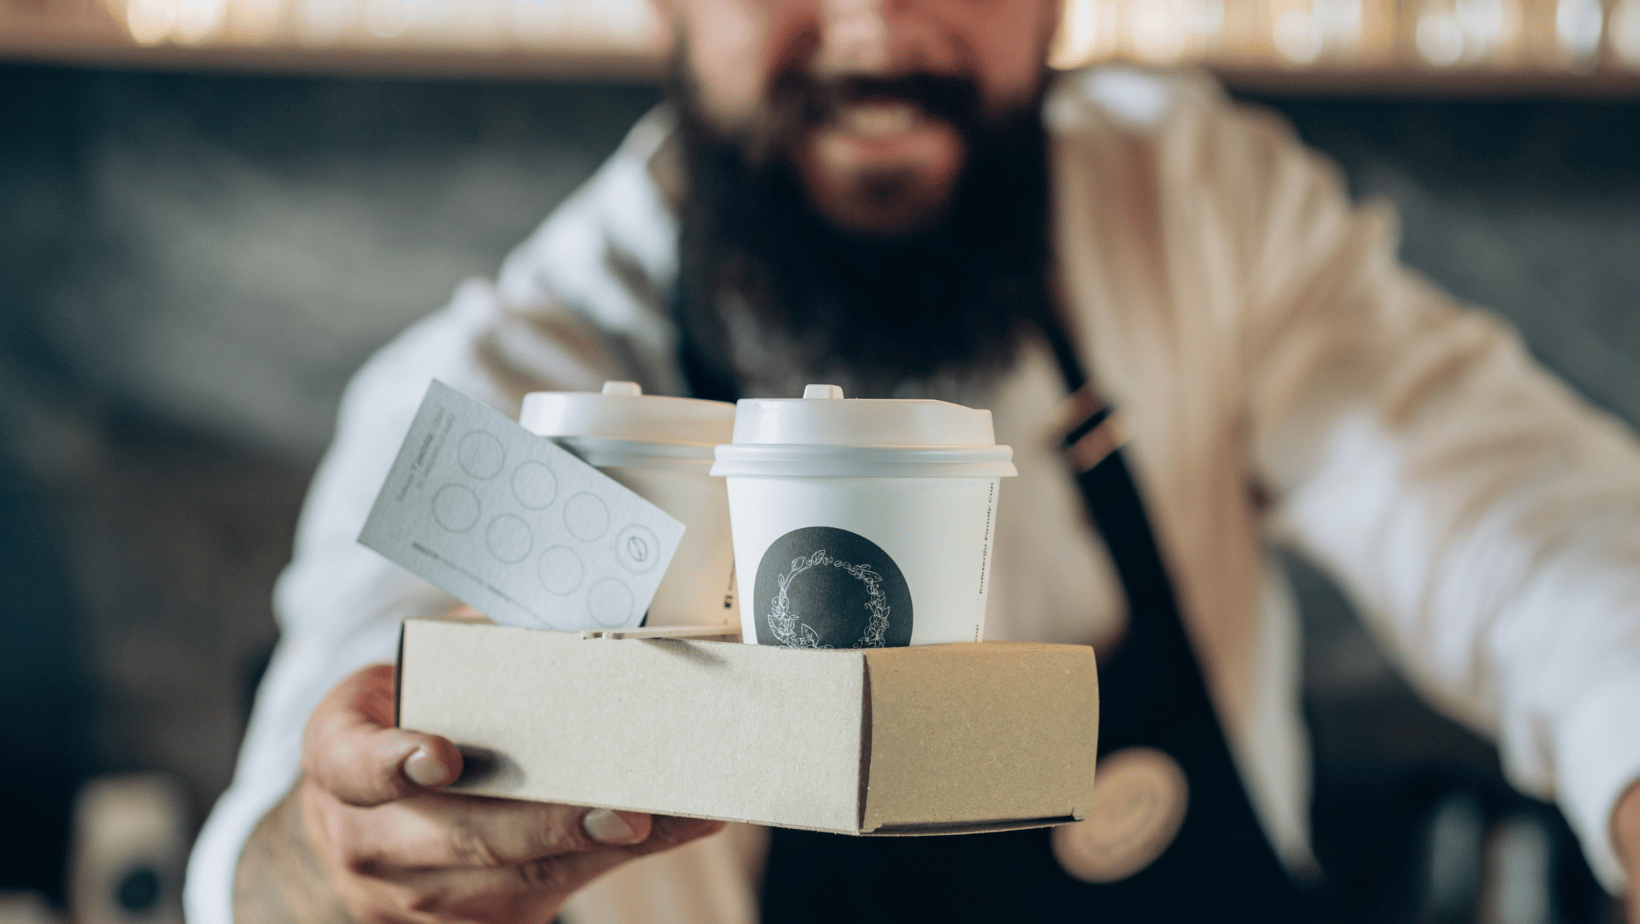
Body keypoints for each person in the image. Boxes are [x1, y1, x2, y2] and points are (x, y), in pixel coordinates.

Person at [190, 0, 1640, 921]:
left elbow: (1531, 531)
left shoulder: (1188, 211)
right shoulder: (540, 404)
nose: (881, 23)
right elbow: (266, 867)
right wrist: (348, 865)